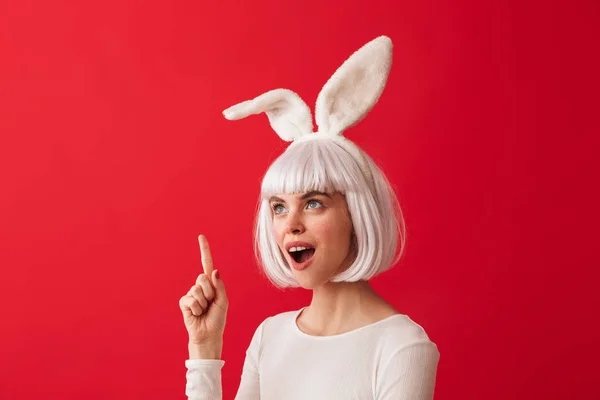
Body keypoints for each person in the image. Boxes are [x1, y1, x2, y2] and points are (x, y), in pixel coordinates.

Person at [179, 35, 440, 399]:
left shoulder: (401, 346)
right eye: (279, 207)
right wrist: (205, 351)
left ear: (356, 214)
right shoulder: (270, 336)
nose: (291, 224)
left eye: (314, 202)